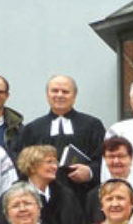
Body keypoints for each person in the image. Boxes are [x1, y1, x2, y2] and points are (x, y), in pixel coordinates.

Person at [16, 75, 106, 209]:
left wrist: (90, 171)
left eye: (65, 91)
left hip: (83, 196)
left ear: (74, 95)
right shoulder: (33, 128)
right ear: (47, 94)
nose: (59, 95)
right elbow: (21, 162)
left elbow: (104, 157)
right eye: (55, 91)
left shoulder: (92, 125)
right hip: (42, 200)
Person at [0, 145, 84, 224]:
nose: (55, 167)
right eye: (49, 162)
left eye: (55, 162)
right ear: (32, 166)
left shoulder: (67, 196)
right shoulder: (11, 197)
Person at [86, 136, 133, 224]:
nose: (116, 161)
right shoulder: (93, 196)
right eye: (111, 157)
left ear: (131, 158)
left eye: (121, 156)